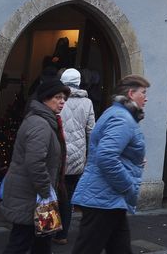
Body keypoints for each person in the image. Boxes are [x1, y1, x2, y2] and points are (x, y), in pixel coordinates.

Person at [71, 75, 149, 253]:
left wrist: (133, 161)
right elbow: (106, 157)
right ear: (131, 94)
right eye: (143, 93)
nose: (146, 97)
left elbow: (111, 152)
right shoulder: (122, 118)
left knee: (120, 248)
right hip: (104, 198)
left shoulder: (119, 114)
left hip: (110, 199)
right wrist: (127, 186)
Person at [1, 77, 70, 254]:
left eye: (64, 98)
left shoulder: (45, 120)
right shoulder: (40, 124)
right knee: (21, 242)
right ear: (45, 98)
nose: (62, 102)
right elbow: (35, 162)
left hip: (37, 198)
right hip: (32, 198)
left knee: (42, 242)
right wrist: (46, 191)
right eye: (58, 97)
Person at [53, 69, 95, 245]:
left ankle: (47, 229)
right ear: (79, 82)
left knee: (51, 194)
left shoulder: (58, 99)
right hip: (76, 158)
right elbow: (92, 131)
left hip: (57, 155)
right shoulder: (87, 103)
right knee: (68, 198)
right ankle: (62, 235)